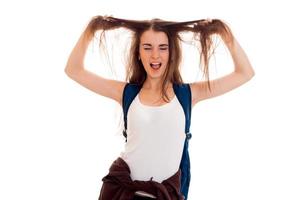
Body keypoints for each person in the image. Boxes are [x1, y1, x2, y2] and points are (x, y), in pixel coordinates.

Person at [65, 15, 255, 200]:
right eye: (147, 48)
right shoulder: (126, 93)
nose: (155, 55)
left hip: (164, 194)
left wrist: (224, 34)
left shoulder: (188, 95)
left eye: (162, 48)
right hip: (122, 192)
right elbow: (73, 70)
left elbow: (244, 73)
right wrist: (92, 28)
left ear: (171, 54)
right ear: (138, 53)